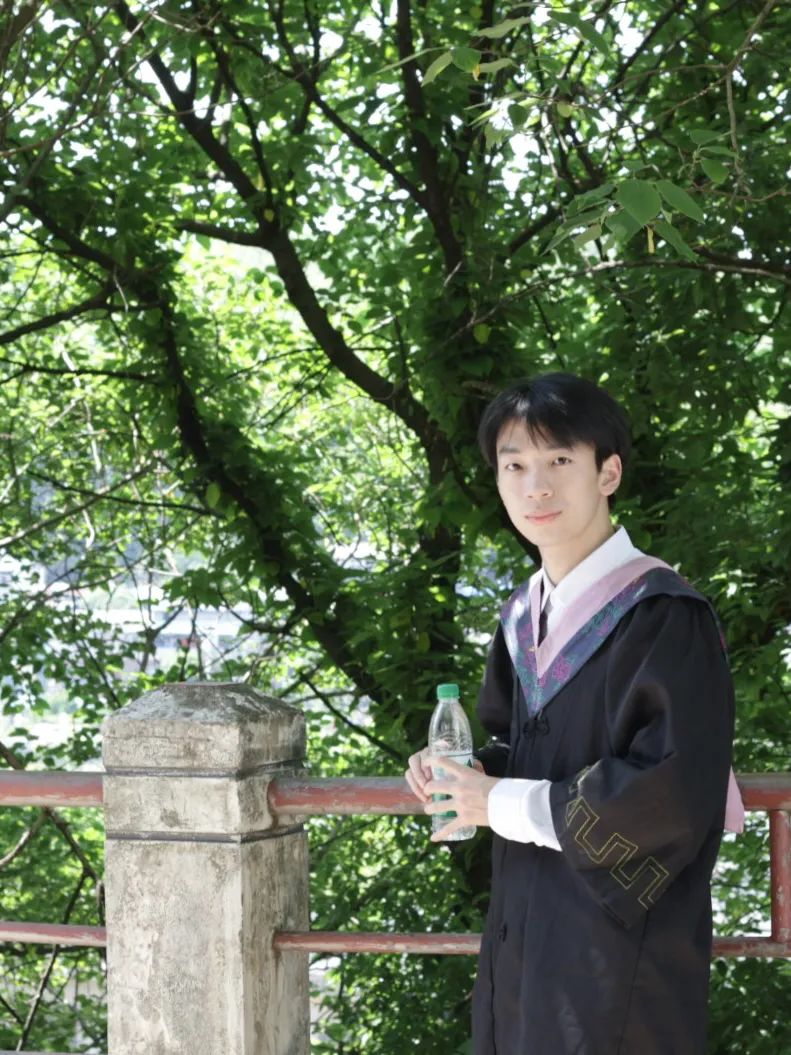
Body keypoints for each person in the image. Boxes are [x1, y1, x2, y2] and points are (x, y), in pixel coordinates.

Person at [405, 373, 742, 1055]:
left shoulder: (662, 614)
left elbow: (672, 791)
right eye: (515, 465)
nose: (536, 486)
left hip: (618, 964)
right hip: (524, 946)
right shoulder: (522, 614)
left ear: (607, 472)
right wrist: (467, 772)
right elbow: (519, 746)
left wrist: (498, 802)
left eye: (559, 460)